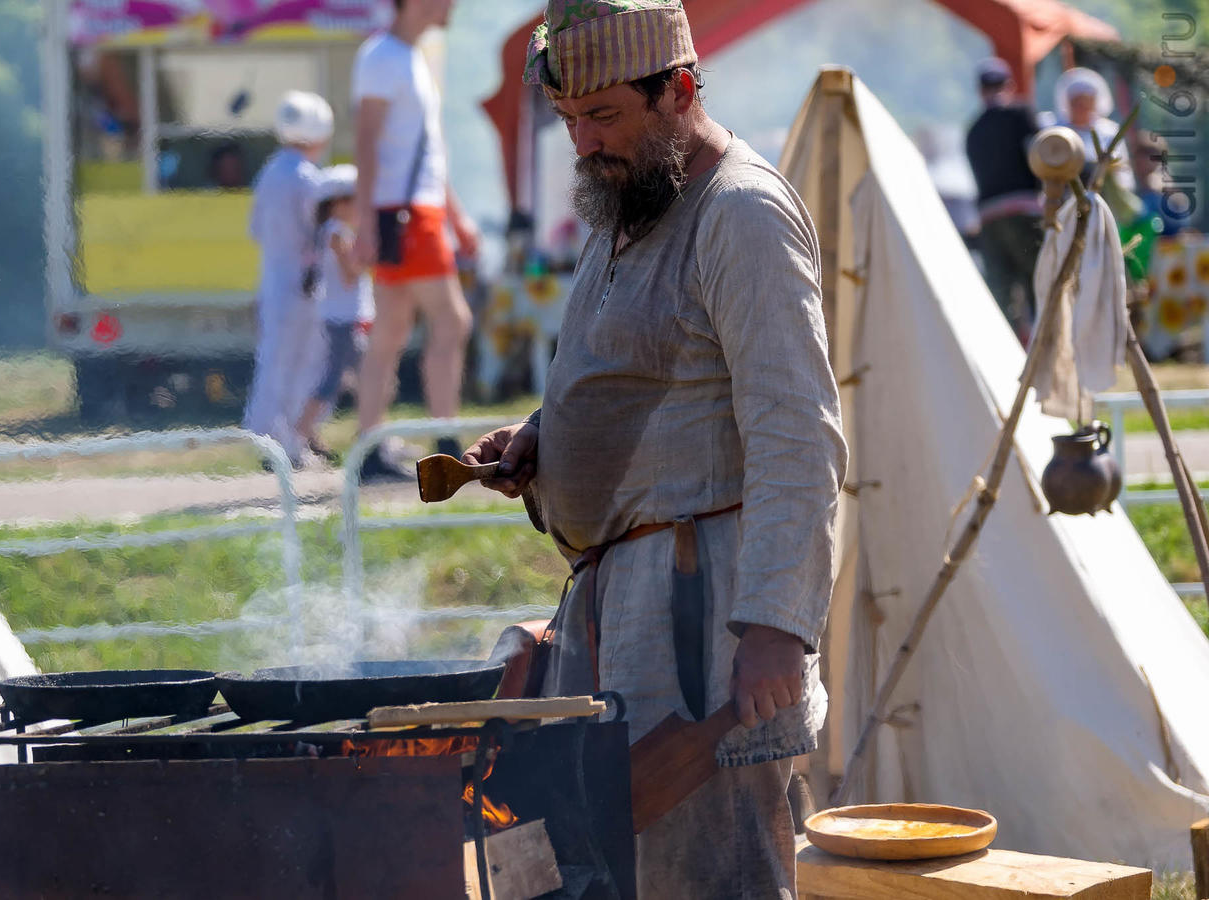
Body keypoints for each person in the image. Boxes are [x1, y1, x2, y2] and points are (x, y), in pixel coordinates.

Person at [464, 1, 846, 895]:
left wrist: (777, 629)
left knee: (711, 877)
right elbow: (642, 371)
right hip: (617, 609)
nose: (585, 142)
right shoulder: (627, 199)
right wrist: (541, 437)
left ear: (677, 91)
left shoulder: (742, 213)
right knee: (610, 875)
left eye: (605, 117)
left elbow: (799, 433)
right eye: (570, 121)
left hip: (706, 627)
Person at [351, 0, 480, 481]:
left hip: (406, 212)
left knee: (391, 331)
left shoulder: (404, 56)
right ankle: (444, 439)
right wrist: (366, 220)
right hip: (408, 215)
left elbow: (425, 151)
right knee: (452, 321)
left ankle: (371, 448)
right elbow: (366, 140)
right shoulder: (386, 56)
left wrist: (457, 215)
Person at [244, 91, 332, 466]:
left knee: (274, 362)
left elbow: (256, 230)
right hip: (304, 286)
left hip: (273, 280)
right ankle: (288, 445)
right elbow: (321, 233)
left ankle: (270, 442)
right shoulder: (308, 177)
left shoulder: (270, 171)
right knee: (303, 364)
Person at [295, 165, 374, 456]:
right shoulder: (338, 233)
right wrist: (371, 252)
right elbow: (351, 273)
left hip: (344, 317)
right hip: (345, 319)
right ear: (338, 203)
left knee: (356, 379)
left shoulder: (332, 231)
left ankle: (310, 434)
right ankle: (300, 435)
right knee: (357, 379)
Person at [965, 57, 1045, 339]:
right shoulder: (1022, 114)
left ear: (980, 90)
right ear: (1009, 85)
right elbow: (1042, 157)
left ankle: (1008, 353)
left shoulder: (973, 130)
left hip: (989, 218)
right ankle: (1042, 349)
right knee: (1038, 285)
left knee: (1003, 295)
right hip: (1025, 211)